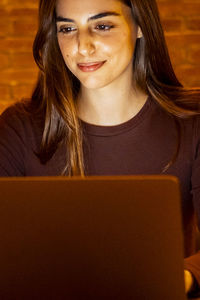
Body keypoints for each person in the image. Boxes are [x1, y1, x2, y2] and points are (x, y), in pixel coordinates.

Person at [0, 0, 200, 296]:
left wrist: (176, 279)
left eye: (102, 26)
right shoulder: (19, 128)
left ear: (140, 26)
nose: (83, 46)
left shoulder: (191, 124)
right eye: (67, 29)